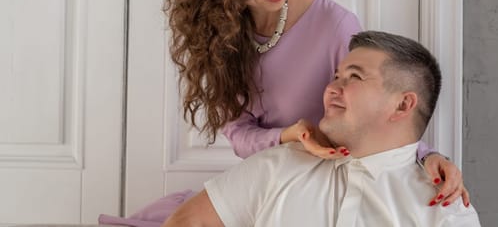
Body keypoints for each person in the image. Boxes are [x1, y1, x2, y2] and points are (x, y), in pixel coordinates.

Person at [164, 0, 467, 205]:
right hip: (268, 186)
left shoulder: (335, 25)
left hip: (328, 193)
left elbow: (376, 113)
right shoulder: (220, 30)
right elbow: (239, 133)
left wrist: (427, 157)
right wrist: (290, 136)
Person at [162, 31, 481, 227]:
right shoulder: (281, 164)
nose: (330, 89)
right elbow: (188, 222)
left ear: (402, 105)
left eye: (354, 77)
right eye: (336, 76)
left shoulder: (444, 211)